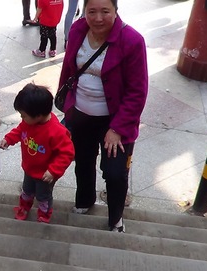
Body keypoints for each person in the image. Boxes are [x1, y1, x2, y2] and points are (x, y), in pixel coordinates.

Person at [58, 0, 148, 232]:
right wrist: (67, 108)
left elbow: (137, 92)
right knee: (83, 162)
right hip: (80, 114)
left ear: (116, 11)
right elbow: (68, 69)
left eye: (105, 11)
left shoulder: (132, 41)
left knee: (115, 173)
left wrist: (117, 129)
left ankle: (115, 217)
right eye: (92, 11)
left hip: (115, 120)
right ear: (84, 11)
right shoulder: (78, 29)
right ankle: (84, 200)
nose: (98, 18)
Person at [0, 83, 74, 223]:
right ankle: (24, 207)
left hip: (45, 174)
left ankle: (44, 214)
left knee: (43, 196)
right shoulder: (29, 122)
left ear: (38, 115)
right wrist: (8, 139)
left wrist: (53, 171)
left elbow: (67, 153)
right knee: (26, 191)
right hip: (29, 168)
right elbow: (20, 130)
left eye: (24, 116)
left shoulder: (56, 132)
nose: (22, 119)